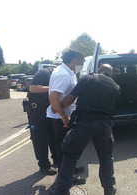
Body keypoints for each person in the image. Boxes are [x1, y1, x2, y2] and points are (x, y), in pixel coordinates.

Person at [51, 64, 120, 195]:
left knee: (70, 155)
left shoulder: (86, 79)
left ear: (98, 70)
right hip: (104, 126)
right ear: (111, 74)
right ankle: (109, 187)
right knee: (106, 157)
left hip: (83, 123)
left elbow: (70, 99)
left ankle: (62, 190)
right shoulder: (115, 86)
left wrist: (57, 107)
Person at [46, 49, 85, 183]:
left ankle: (69, 170)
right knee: (66, 149)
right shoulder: (63, 74)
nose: (83, 65)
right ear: (74, 60)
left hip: (64, 115)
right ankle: (66, 178)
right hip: (62, 119)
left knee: (67, 147)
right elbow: (54, 97)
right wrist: (64, 117)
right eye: (82, 62)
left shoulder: (68, 72)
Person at [26, 68, 57, 175]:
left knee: (54, 137)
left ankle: (58, 161)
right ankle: (44, 165)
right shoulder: (44, 73)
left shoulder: (59, 75)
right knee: (40, 139)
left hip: (49, 112)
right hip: (36, 112)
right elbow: (33, 88)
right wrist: (52, 88)